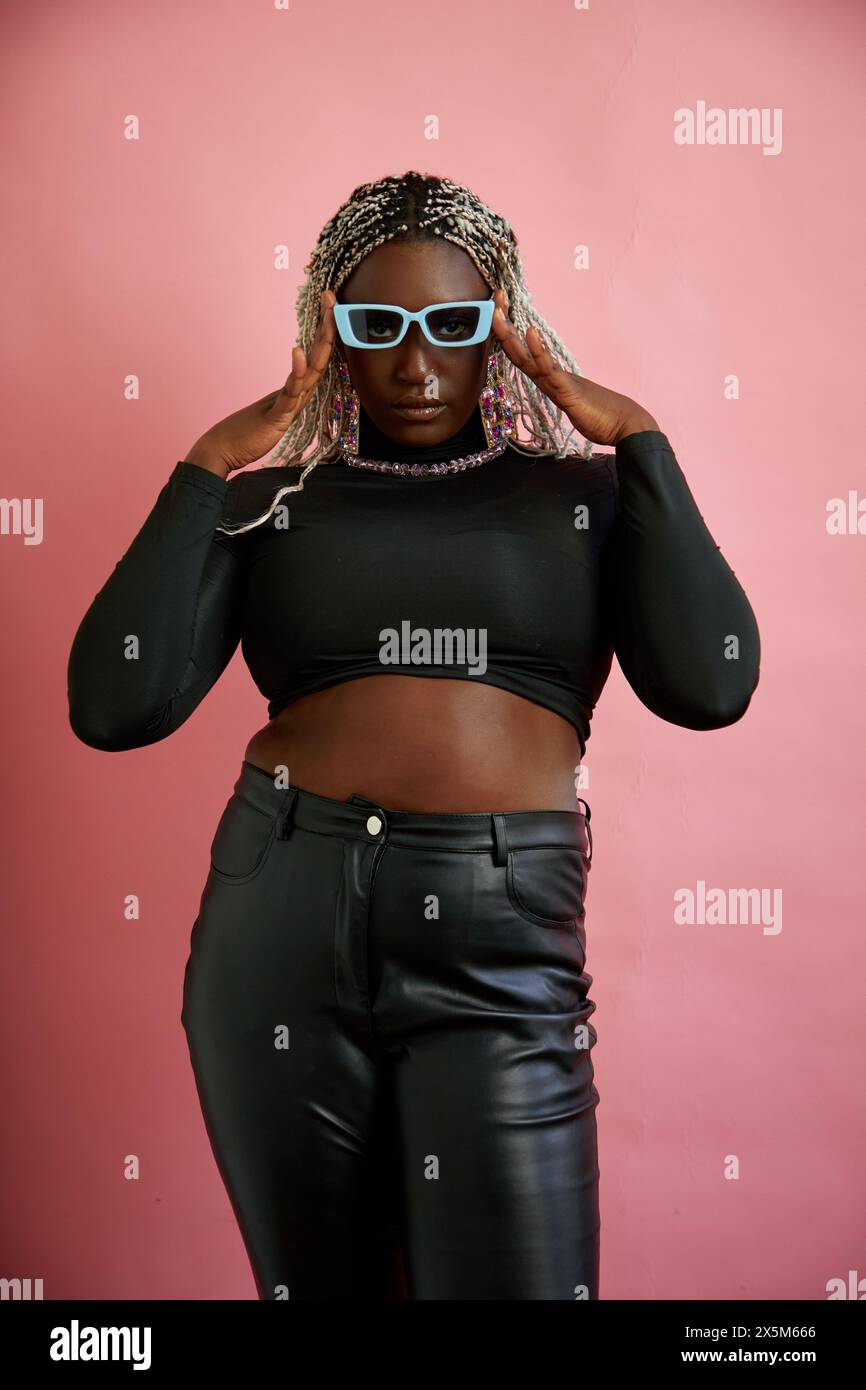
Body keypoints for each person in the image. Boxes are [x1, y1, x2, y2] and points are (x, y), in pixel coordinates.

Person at [66, 170, 761, 1301]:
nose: (415, 361)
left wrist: (634, 436)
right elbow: (113, 705)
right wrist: (209, 465)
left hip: (498, 944)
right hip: (278, 927)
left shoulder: (578, 498)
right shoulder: (276, 498)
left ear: (502, 329)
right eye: (374, 325)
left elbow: (707, 683)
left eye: (453, 324)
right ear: (329, 333)